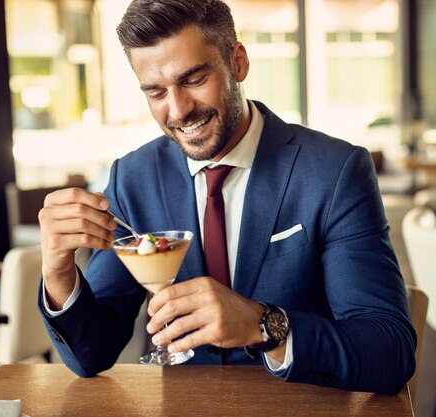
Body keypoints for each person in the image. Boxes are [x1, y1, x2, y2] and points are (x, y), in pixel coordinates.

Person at [37, 0, 416, 394]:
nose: (179, 110)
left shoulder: (334, 172)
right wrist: (58, 273)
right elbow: (92, 355)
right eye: (156, 93)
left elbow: (389, 351)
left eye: (194, 79)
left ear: (238, 62)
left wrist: (262, 325)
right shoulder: (134, 178)